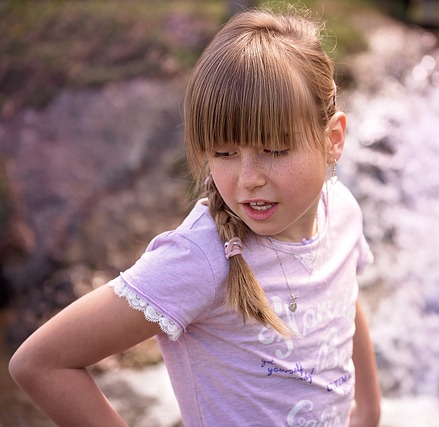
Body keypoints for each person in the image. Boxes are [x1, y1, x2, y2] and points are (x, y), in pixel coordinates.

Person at [9, 6, 382, 427]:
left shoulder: (343, 210)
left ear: (333, 139)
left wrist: (369, 409)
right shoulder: (200, 257)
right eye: (223, 154)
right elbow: (40, 364)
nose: (248, 180)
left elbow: (344, 296)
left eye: (274, 151)